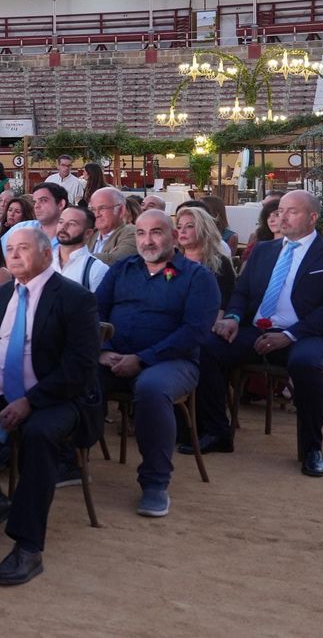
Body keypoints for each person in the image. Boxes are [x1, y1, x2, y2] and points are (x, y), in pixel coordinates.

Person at [0, 226, 101, 587]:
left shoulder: (75, 299)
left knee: (39, 434)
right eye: (9, 249)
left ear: (46, 254)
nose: (13, 255)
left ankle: (28, 546)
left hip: (54, 396)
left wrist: (32, 401)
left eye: (23, 248)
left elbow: (79, 368)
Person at [195, 191, 323, 476]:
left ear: (312, 218)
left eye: (291, 211)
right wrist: (232, 317)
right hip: (259, 328)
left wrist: (290, 335)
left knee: (305, 363)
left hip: (309, 334)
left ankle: (311, 449)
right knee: (207, 346)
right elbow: (242, 292)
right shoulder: (265, 250)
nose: (282, 216)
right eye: (280, 210)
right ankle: (217, 432)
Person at [95, 210, 218, 517]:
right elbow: (94, 313)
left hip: (172, 362)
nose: (147, 241)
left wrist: (142, 359)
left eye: (156, 232)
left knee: (151, 388)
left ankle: (154, 482)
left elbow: (194, 332)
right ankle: (68, 459)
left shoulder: (197, 277)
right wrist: (103, 349)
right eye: (140, 233)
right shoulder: (123, 269)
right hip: (116, 356)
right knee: (76, 374)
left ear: (174, 237)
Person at [175, 205, 236, 309]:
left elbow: (225, 303)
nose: (182, 231)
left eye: (189, 226)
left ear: (204, 229)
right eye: (179, 227)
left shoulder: (220, 263)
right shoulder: (171, 261)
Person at [51, 206, 109, 291]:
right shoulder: (43, 262)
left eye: (72, 224)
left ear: (88, 233)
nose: (63, 227)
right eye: (61, 222)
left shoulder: (96, 269)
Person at [87, 187, 137, 265]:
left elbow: (116, 261)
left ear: (121, 210)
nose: (96, 214)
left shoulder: (132, 232)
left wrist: (77, 259)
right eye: (93, 209)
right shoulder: (89, 234)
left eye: (102, 208)